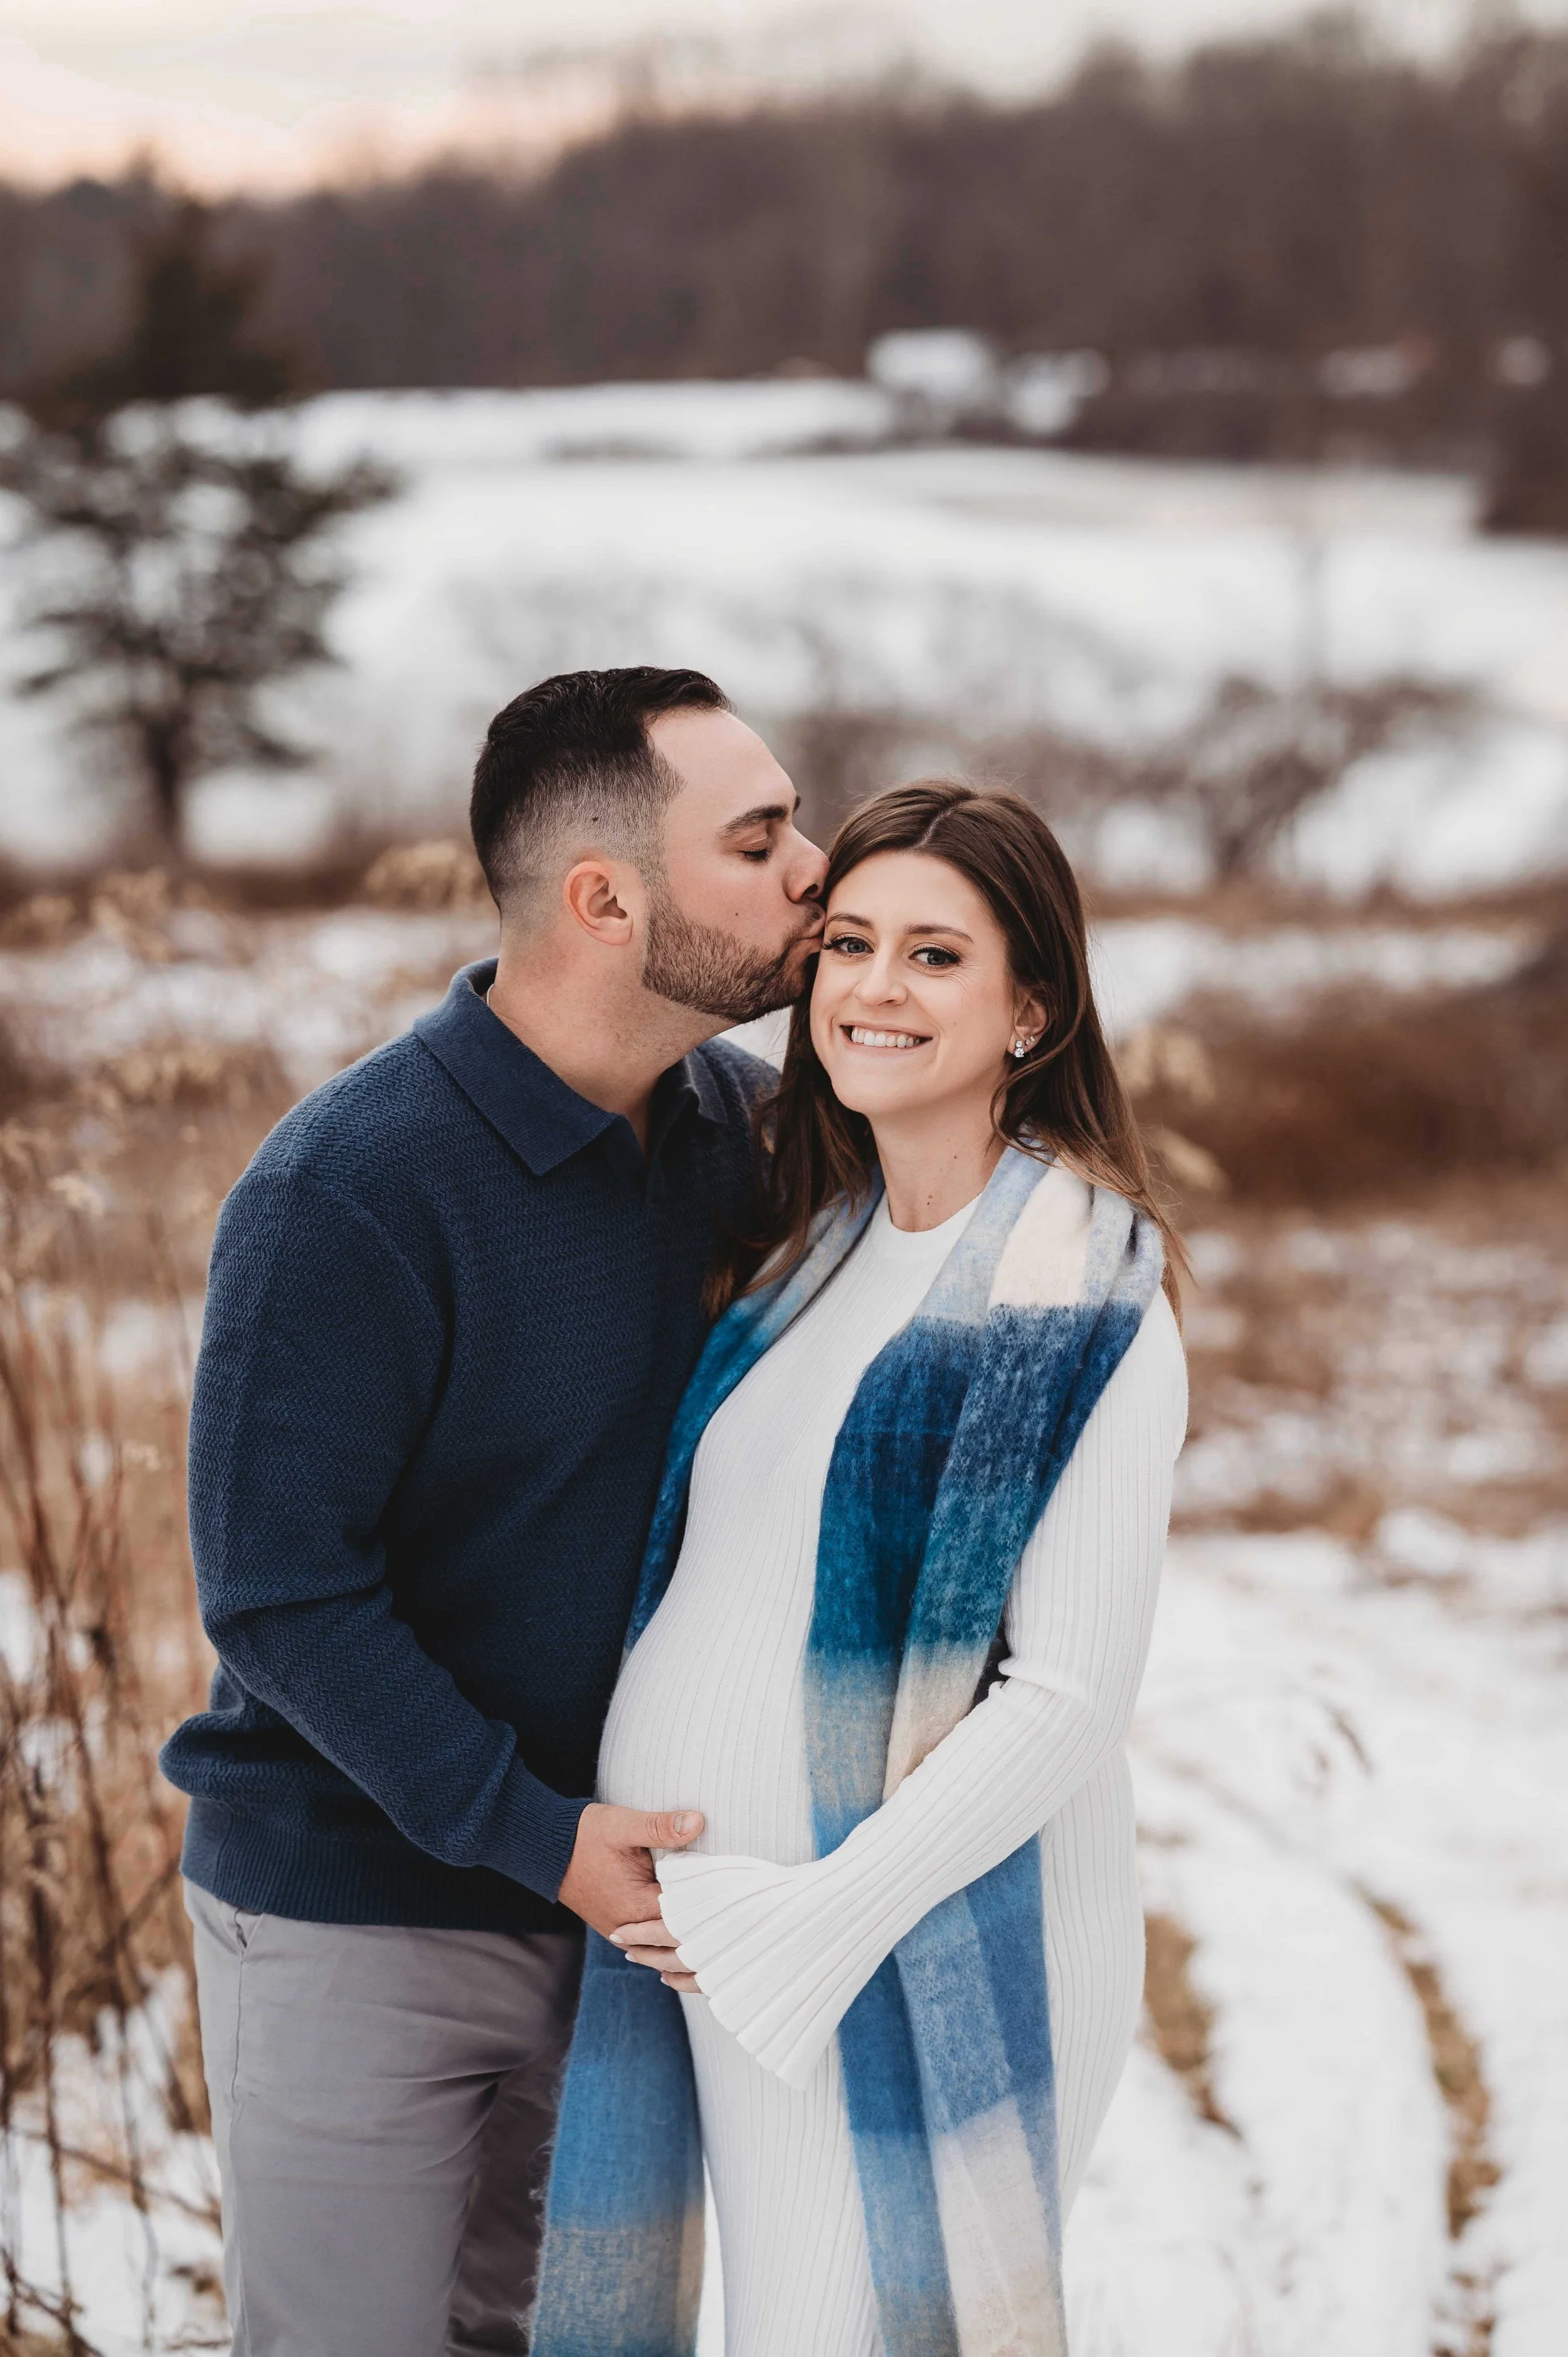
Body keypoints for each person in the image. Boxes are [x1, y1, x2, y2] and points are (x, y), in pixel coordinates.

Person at [159, 666, 826, 2357]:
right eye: (757, 840)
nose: (812, 870)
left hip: (631, 1916)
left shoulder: (749, 1144)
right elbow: (280, 1594)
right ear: (606, 900)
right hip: (356, 1907)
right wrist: (537, 1834)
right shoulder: (348, 1189)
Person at [531, 780, 1189, 2357]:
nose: (874, 988)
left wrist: (822, 1921)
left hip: (890, 1934)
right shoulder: (808, 1251)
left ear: (1030, 1008)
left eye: (934, 956)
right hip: (725, 1933)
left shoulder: (1083, 1294)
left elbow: (1067, 1699)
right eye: (848, 944)